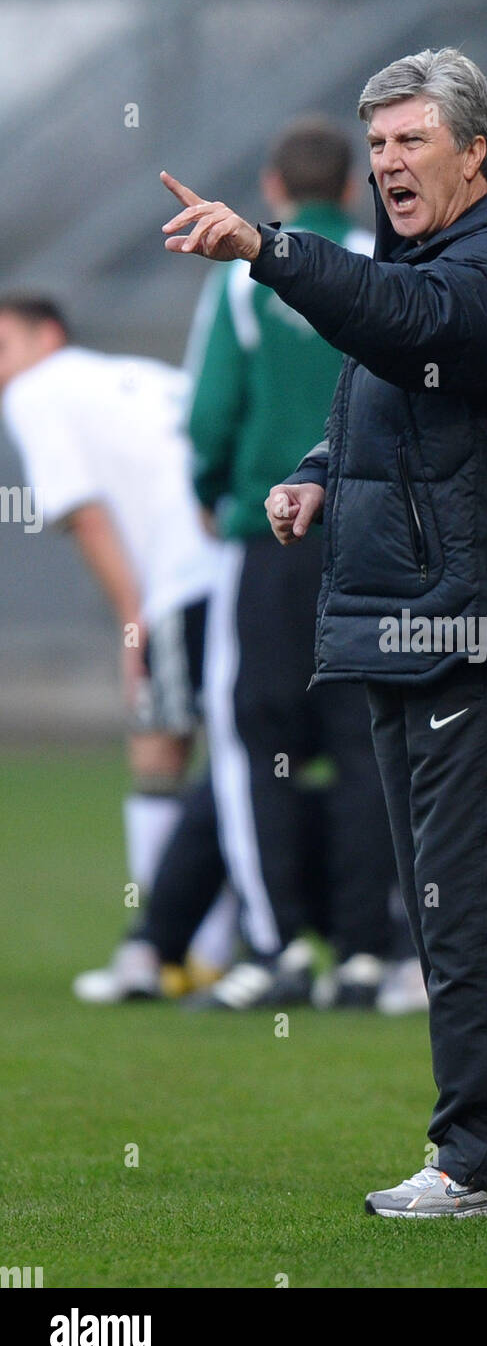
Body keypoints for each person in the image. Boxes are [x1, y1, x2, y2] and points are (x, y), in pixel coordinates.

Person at [161, 47, 487, 1217]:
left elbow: (420, 327)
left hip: (474, 627)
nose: (387, 164)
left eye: (410, 141)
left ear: (473, 150)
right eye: (376, 146)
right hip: (403, 619)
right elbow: (388, 382)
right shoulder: (425, 258)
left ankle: (483, 1164)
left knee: (463, 904)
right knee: (458, 891)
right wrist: (319, 472)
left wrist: (270, 251)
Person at [182, 116, 405, 1010]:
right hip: (376, 541)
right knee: (367, 745)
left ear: (274, 189)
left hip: (266, 538)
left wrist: (215, 488)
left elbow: (208, 413)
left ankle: (275, 950)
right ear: (352, 187)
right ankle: (362, 954)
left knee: (255, 746)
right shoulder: (385, 264)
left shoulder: (244, 279)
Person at [0, 295, 237, 1000]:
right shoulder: (138, 375)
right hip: (246, 565)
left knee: (159, 742)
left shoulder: (36, 393)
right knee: (243, 759)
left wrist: (133, 620)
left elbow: (87, 516)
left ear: (51, 334)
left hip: (182, 576)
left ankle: (169, 951)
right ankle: (226, 943)